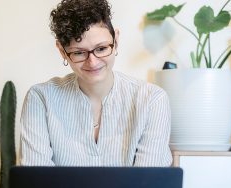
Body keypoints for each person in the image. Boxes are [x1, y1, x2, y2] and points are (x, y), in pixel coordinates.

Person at [20, 0, 172, 167]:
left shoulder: (152, 100)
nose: (92, 63)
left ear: (116, 40)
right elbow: (37, 181)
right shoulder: (41, 99)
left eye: (101, 49)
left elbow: (148, 182)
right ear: (62, 51)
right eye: (79, 52)